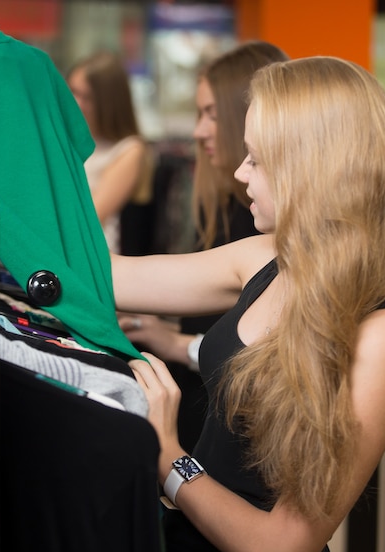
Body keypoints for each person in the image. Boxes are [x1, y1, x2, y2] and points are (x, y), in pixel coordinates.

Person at [111, 57, 385, 552]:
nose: (240, 174)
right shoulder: (266, 259)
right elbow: (102, 274)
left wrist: (171, 460)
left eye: (258, 160)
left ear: (311, 167)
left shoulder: (380, 332)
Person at [120, 41, 289, 451]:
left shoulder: (262, 237)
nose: (198, 131)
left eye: (211, 113)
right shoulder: (237, 219)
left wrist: (177, 344)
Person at [67, 50, 155, 255]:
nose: (76, 102)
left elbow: (94, 216)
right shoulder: (70, 138)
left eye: (86, 96)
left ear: (108, 102)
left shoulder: (130, 149)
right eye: (72, 91)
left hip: (95, 257)